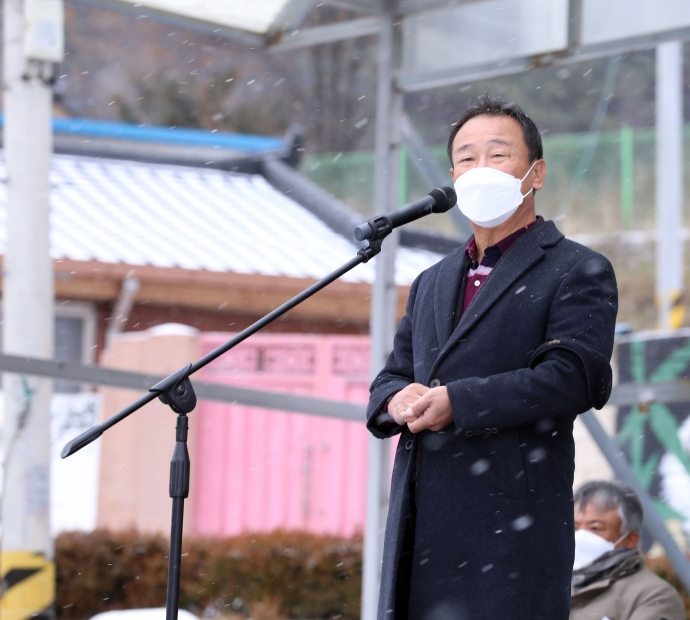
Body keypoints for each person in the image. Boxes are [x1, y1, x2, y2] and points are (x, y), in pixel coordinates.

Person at [366, 95, 618, 620]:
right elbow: (390, 377)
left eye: (498, 155)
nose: (480, 169)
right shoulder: (432, 280)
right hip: (422, 526)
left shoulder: (577, 269)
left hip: (510, 535)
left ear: (536, 173)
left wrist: (459, 402)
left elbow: (571, 378)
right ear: (453, 177)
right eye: (466, 158)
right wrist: (396, 399)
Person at [570, 480, 685, 620]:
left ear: (630, 539)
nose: (580, 536)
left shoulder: (654, 596)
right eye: (574, 528)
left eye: (595, 528)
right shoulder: (557, 585)